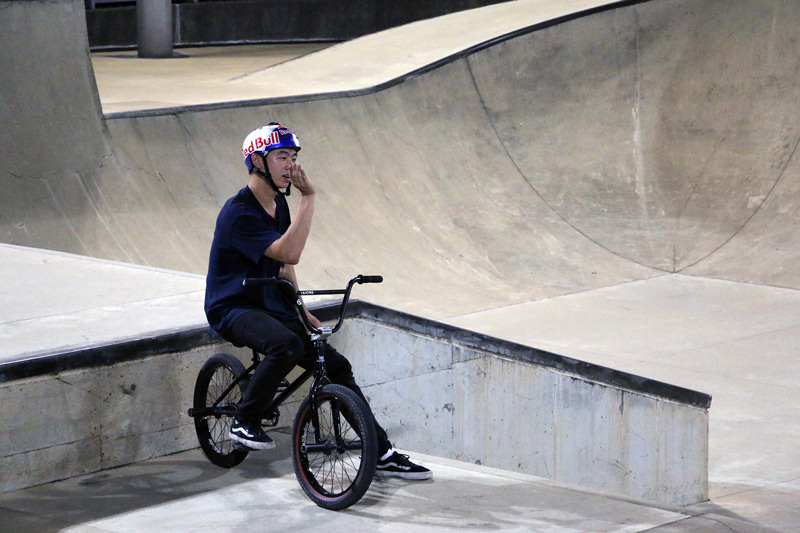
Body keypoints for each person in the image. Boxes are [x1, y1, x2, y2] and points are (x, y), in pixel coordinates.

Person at [204, 123, 431, 480]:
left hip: (270, 302)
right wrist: (309, 198)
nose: (290, 166)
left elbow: (282, 265)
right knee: (284, 345)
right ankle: (244, 422)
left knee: (335, 365)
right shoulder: (239, 213)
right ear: (257, 161)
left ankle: (380, 450)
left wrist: (301, 309)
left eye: (293, 158)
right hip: (233, 305)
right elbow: (290, 252)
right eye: (282, 157)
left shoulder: (278, 202)